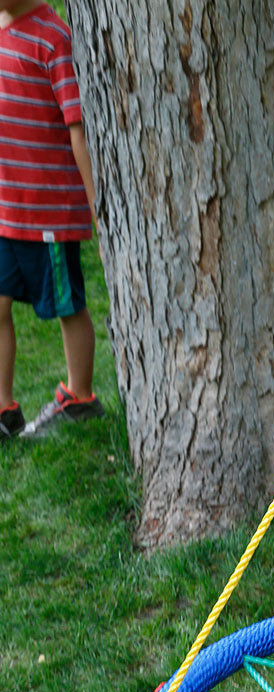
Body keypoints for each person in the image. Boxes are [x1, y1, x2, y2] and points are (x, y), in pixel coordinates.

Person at [0, 0, 104, 443]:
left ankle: (80, 397)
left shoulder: (53, 38)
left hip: (51, 215)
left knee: (67, 304)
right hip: (6, 210)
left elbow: (77, 129)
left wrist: (98, 211)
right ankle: (4, 410)